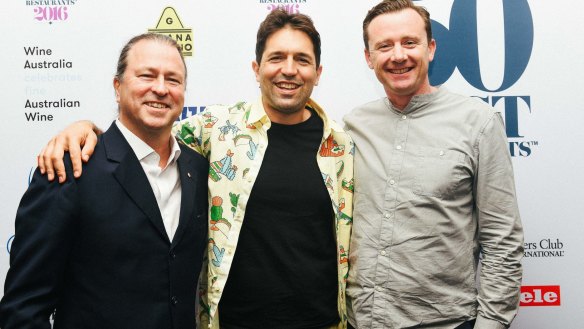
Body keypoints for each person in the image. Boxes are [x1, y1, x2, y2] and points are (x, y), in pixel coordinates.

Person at [36, 10, 354, 329]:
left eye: (301, 59)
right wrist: (85, 129)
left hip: (322, 322)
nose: (289, 70)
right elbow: (146, 131)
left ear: (318, 71)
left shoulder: (342, 145)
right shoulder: (218, 128)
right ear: (256, 69)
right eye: (276, 58)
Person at [0, 33, 209, 329]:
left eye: (172, 80)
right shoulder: (70, 169)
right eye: (146, 76)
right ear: (117, 86)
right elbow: (24, 307)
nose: (160, 89)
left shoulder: (197, 169)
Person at [343, 1, 524, 328]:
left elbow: (502, 240)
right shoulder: (352, 126)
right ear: (369, 58)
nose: (398, 55)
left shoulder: (478, 123)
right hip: (362, 321)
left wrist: (491, 324)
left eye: (409, 42)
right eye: (384, 46)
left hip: (447, 322)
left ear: (431, 49)